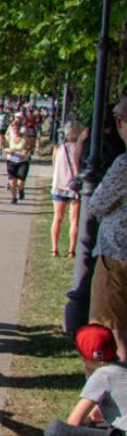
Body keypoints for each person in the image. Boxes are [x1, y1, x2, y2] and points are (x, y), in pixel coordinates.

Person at [44, 324, 125, 436]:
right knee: (103, 428)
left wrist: (90, 420)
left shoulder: (102, 375)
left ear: (81, 354)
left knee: (55, 430)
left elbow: (74, 422)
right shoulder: (122, 368)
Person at [87, 96, 127, 363]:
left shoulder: (124, 164)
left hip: (117, 255)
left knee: (108, 330)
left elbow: (97, 204)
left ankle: (108, 395)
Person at [51, 121, 84, 258]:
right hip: (74, 187)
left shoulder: (59, 148)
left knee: (57, 218)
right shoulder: (79, 148)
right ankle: (71, 250)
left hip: (59, 185)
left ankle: (54, 248)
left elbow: (54, 164)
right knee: (74, 220)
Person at [4, 114, 35, 203]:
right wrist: (8, 150)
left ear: (20, 128)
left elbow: (30, 145)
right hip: (11, 161)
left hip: (23, 162)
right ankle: (14, 198)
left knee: (20, 183)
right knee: (12, 182)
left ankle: (21, 190)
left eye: (17, 128)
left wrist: (26, 151)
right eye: (14, 128)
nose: (15, 130)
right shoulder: (9, 138)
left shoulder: (25, 137)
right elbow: (5, 147)